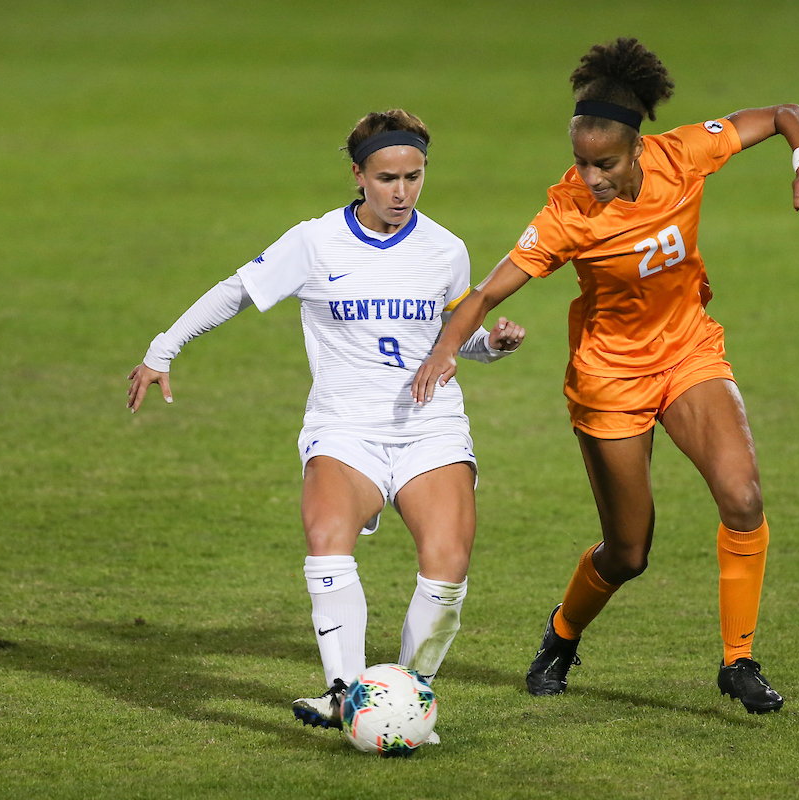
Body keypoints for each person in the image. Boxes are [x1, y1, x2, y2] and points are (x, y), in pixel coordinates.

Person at [411, 37, 799, 714]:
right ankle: (562, 632)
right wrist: (445, 350)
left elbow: (784, 115)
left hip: (688, 351)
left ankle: (739, 661)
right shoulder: (567, 214)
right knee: (629, 552)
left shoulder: (682, 154)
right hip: (610, 380)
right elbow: (486, 293)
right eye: (580, 161)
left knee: (743, 496)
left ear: (637, 146)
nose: (590, 176)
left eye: (603, 163)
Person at [127, 109, 525, 735]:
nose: (402, 192)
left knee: (447, 563)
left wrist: (491, 346)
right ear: (359, 175)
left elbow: (450, 337)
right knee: (326, 538)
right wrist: (162, 349)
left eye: (414, 176)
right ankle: (345, 692)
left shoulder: (445, 248)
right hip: (345, 427)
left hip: (430, 427)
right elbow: (237, 291)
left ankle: (406, 698)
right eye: (387, 178)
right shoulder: (314, 242)